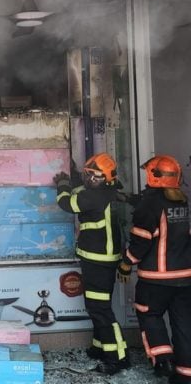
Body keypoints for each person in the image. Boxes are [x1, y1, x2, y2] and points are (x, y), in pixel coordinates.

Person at [54, 153, 129, 374]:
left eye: (92, 176)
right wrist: (76, 177)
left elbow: (68, 203)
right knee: (96, 305)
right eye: (87, 175)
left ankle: (117, 357)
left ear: (105, 178)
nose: (88, 180)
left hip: (98, 260)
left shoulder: (96, 196)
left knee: (100, 309)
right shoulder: (106, 192)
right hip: (100, 259)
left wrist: (62, 184)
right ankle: (100, 347)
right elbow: (82, 192)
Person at [120, 155, 191, 383]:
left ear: (154, 175)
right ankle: (185, 373)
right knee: (183, 324)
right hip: (185, 278)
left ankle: (163, 360)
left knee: (149, 315)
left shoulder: (150, 204)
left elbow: (141, 241)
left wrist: (126, 263)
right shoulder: (183, 202)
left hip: (155, 279)